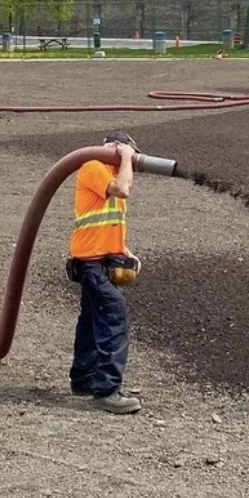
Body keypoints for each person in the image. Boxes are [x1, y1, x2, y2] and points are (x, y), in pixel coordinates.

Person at [67, 130, 142, 414]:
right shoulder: (94, 167)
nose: (132, 161)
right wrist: (123, 156)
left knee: (90, 320)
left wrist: (124, 251)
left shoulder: (108, 175)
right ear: (115, 148)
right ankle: (107, 391)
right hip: (91, 264)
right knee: (114, 317)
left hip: (100, 261)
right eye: (129, 153)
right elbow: (122, 189)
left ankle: (84, 378)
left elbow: (106, 223)